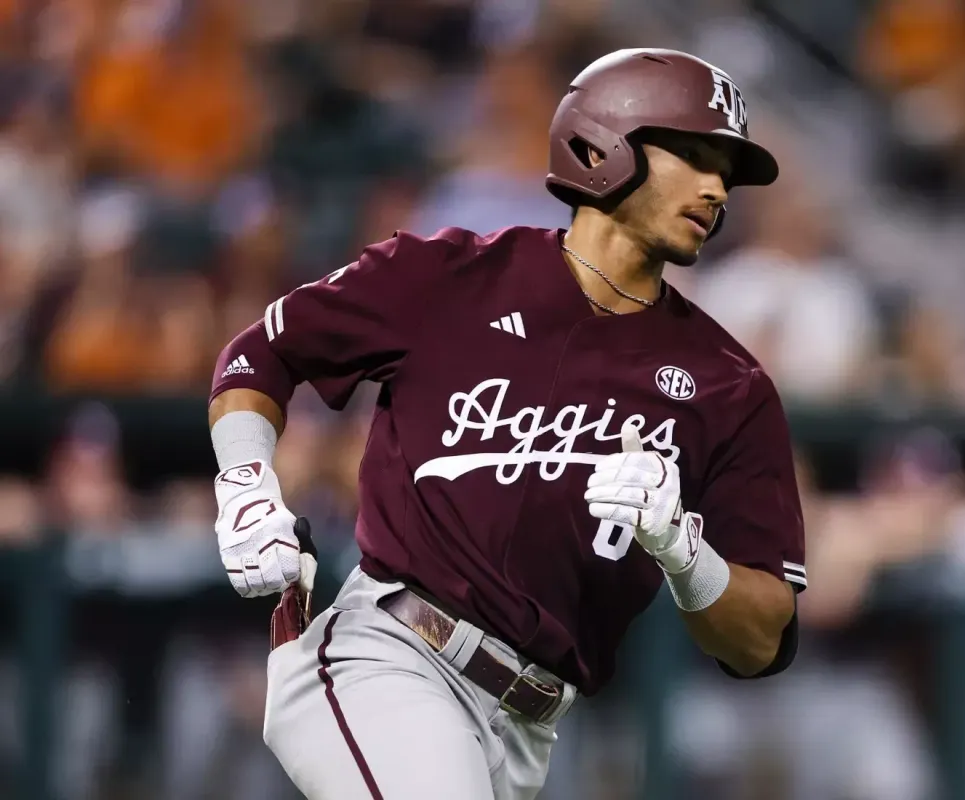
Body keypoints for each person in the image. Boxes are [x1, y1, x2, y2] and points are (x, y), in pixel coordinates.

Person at [207, 48, 807, 799]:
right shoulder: (449, 275)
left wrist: (685, 554)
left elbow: (763, 639)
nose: (717, 186)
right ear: (600, 145)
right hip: (387, 656)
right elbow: (258, 354)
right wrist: (244, 481)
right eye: (692, 153)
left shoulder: (730, 385)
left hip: (530, 727)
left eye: (727, 168)